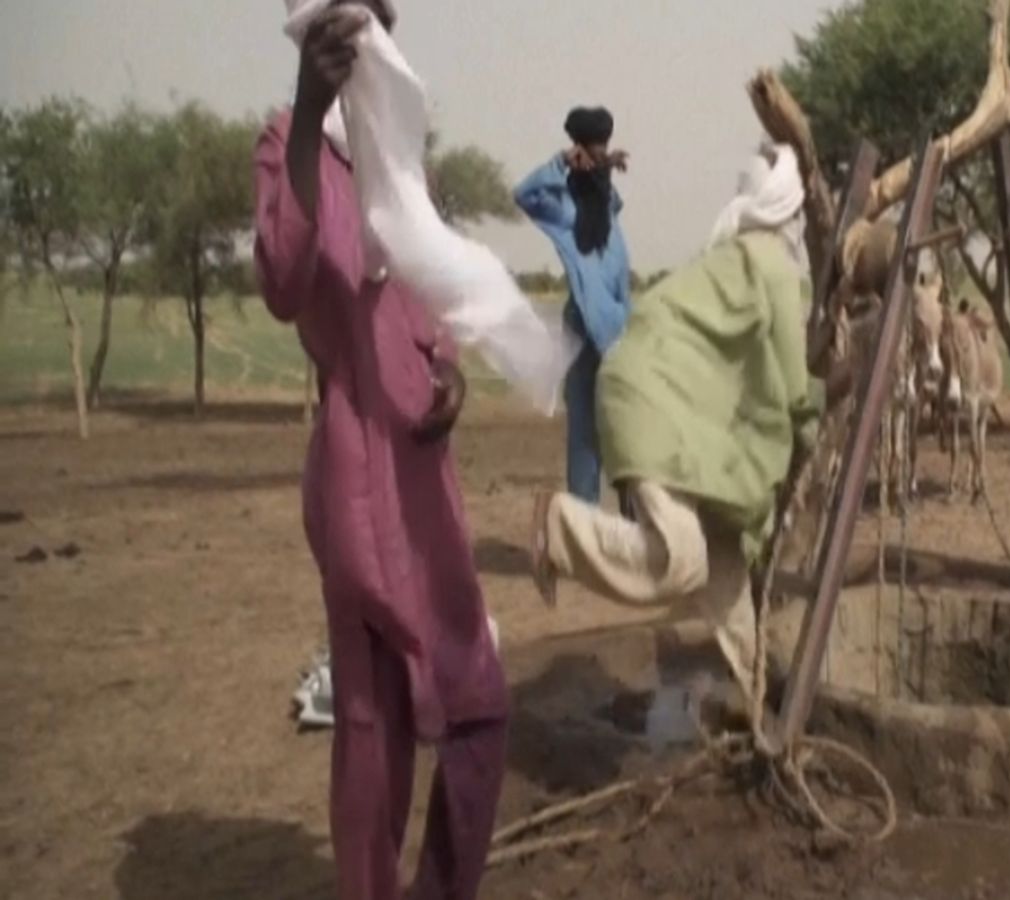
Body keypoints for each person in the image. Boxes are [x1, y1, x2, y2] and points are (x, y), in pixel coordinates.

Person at [255, 2, 505, 896]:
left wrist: (449, 368)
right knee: (373, 726)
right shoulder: (291, 145)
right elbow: (284, 280)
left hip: (425, 477)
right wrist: (306, 114)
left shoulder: (403, 161)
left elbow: (427, 293)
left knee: (478, 707)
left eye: (381, 25)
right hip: (358, 471)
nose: (372, 45)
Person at [527, 145, 816, 701]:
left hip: (655, 399)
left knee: (724, 567)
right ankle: (560, 526)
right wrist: (814, 430)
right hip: (650, 404)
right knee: (681, 561)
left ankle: (755, 698)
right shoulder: (773, 267)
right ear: (788, 210)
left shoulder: (731, 261)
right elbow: (795, 388)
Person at [515, 108, 632, 505]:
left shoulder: (609, 206)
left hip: (618, 330)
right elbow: (524, 195)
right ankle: (585, 520)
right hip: (581, 328)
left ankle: (636, 517)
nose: (599, 158)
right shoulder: (564, 207)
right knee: (583, 431)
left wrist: (606, 166)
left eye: (604, 148)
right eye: (591, 150)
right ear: (578, 150)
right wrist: (560, 162)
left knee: (623, 427)